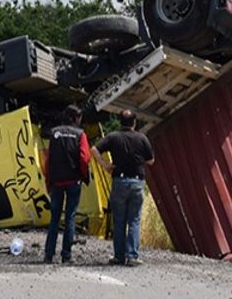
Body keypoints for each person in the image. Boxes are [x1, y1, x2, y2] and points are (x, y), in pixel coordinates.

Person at [91, 109, 155, 266]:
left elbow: (94, 149)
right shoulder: (142, 138)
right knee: (134, 220)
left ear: (120, 121)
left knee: (119, 220)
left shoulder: (113, 137)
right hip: (137, 182)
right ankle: (132, 256)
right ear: (134, 122)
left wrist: (105, 165)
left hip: (119, 181)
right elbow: (151, 160)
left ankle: (119, 256)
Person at [43, 105, 90, 264]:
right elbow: (84, 158)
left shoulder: (54, 133)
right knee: (70, 217)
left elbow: (48, 161)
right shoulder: (80, 134)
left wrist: (48, 180)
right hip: (73, 181)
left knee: (54, 218)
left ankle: (48, 255)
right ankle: (66, 255)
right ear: (76, 118)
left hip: (56, 182)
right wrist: (83, 175)